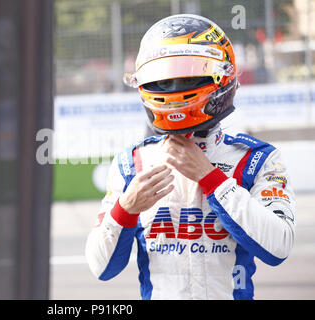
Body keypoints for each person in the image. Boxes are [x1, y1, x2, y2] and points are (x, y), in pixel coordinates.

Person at [85, 14, 296, 300]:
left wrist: (212, 179)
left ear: (223, 76)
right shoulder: (131, 163)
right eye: (164, 77)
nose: (173, 86)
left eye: (187, 73)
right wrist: (126, 207)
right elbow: (101, 268)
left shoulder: (256, 159)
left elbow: (278, 247)